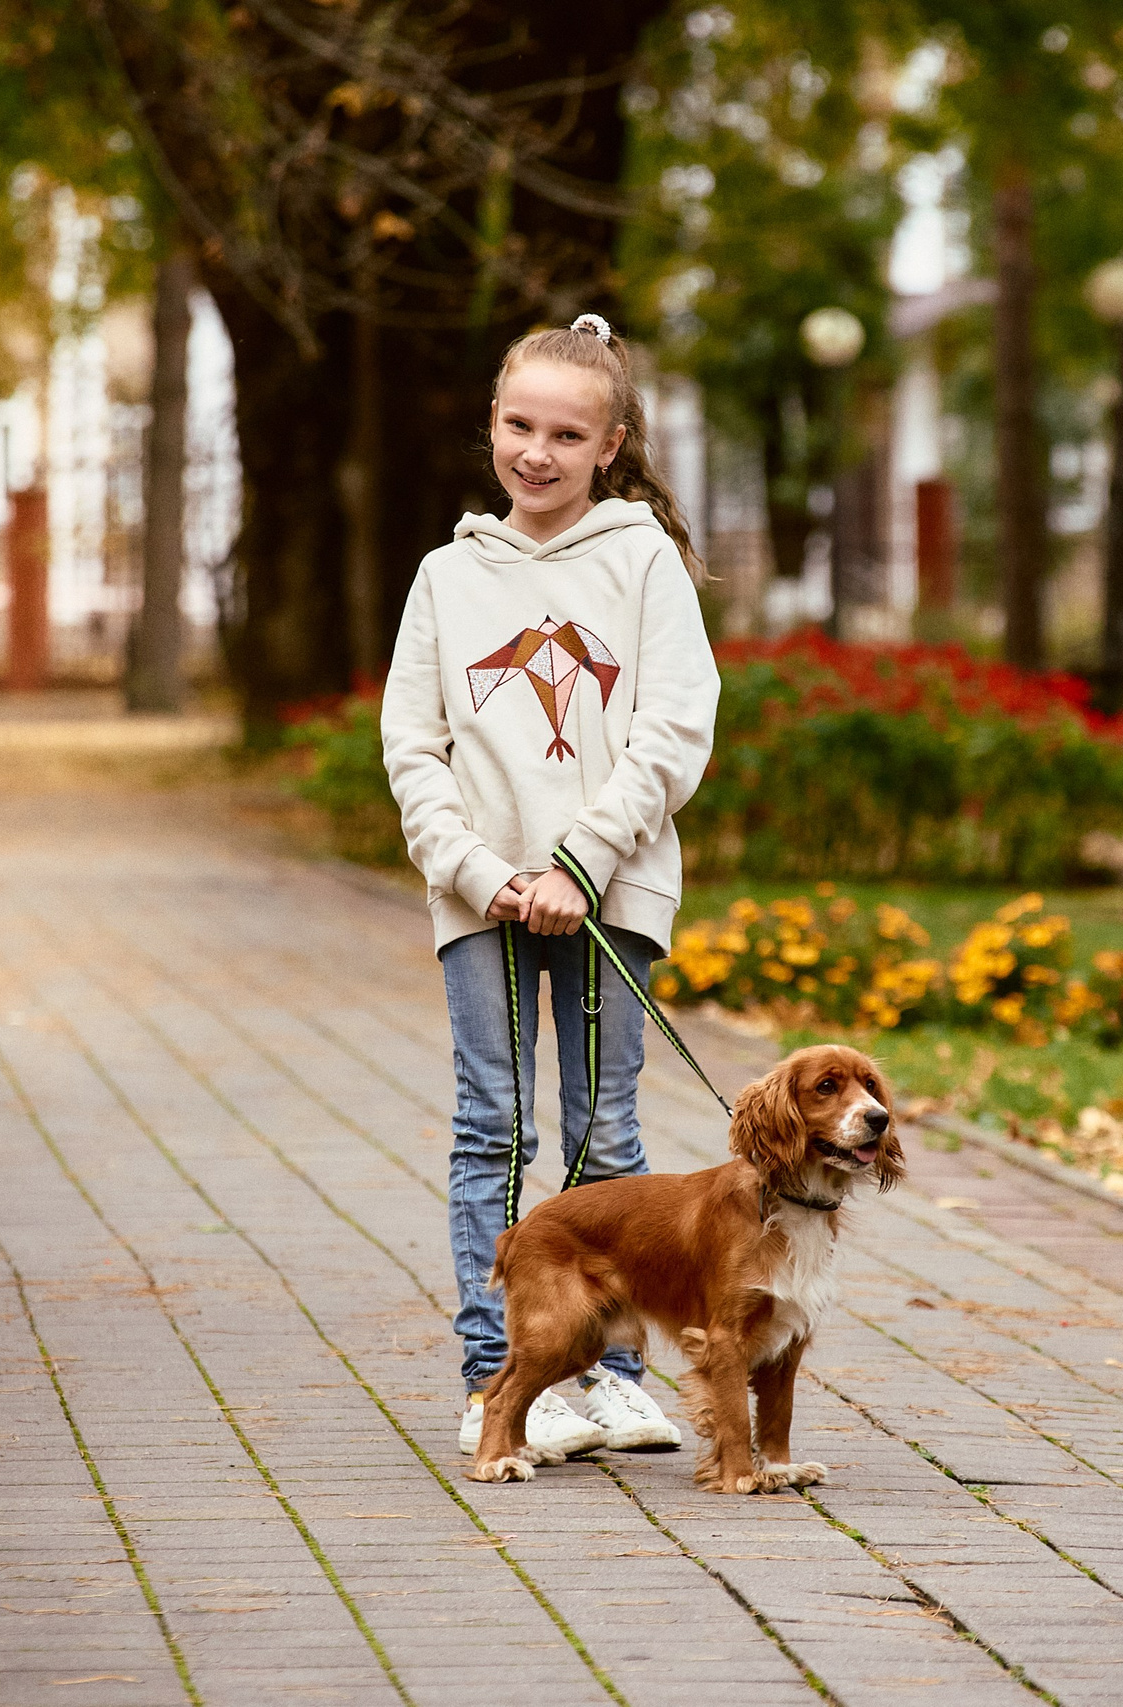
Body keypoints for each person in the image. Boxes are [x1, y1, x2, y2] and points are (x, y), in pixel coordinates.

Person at [382, 312, 721, 1461]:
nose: (537, 451)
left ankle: (614, 1373)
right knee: (492, 1128)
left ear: (609, 444)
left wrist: (581, 864)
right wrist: (481, 873)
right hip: (476, 900)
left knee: (601, 1130)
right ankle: (501, 1375)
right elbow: (412, 747)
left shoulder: (640, 563)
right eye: (519, 425)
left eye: (566, 434)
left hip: (609, 895)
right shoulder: (443, 575)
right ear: (491, 424)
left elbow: (674, 731)